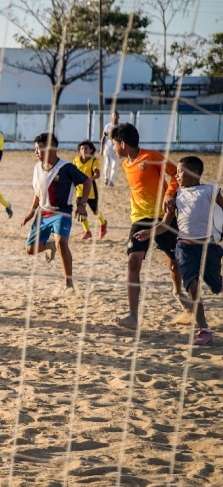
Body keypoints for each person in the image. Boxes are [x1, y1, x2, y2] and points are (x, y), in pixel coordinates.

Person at [133, 156, 222, 346]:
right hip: (184, 247)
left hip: (209, 247)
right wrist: (150, 233)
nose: (177, 175)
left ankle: (217, 283)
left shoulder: (210, 191)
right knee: (192, 285)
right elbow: (165, 225)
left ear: (195, 173)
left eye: (181, 172)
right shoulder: (176, 196)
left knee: (215, 285)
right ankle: (204, 330)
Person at [110, 123, 185, 330]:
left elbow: (177, 175)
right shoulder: (126, 164)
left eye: (113, 144)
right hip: (139, 219)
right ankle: (133, 316)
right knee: (133, 262)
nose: (113, 148)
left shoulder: (151, 155)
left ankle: (178, 292)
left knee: (175, 265)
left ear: (123, 144)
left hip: (163, 217)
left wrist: (170, 193)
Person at [20, 133, 90, 294]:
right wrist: (31, 211)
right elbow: (38, 191)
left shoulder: (66, 168)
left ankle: (68, 284)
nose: (36, 152)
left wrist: (82, 205)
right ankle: (50, 246)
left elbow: (87, 182)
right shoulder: (37, 168)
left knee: (62, 243)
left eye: (39, 148)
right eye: (35, 149)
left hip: (62, 213)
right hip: (43, 213)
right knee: (30, 249)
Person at [72, 140, 108, 240]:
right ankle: (87, 231)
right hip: (79, 190)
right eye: (82, 148)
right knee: (81, 211)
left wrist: (89, 179)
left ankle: (103, 223)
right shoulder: (76, 160)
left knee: (95, 211)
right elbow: (72, 172)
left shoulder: (93, 161)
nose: (84, 150)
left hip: (91, 190)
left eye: (86, 148)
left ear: (91, 150)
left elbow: (97, 174)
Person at [100, 111, 120, 186]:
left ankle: (112, 181)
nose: (115, 117)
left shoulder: (120, 127)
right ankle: (106, 178)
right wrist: (101, 149)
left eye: (116, 116)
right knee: (107, 163)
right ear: (111, 117)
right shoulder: (107, 126)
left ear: (118, 117)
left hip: (116, 147)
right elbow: (103, 138)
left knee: (115, 164)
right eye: (114, 116)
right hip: (108, 147)